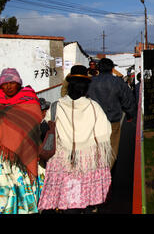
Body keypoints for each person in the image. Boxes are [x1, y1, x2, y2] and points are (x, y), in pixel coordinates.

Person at [38, 65, 113, 213]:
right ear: (86, 87)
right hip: (87, 163)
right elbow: (105, 132)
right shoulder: (94, 107)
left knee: (67, 201)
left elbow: (44, 129)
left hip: (62, 162)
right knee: (81, 201)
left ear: (69, 84)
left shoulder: (56, 107)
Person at [0, 68, 44, 214]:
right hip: (3, 158)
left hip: (23, 156)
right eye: (5, 84)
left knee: (22, 184)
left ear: (19, 83)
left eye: (12, 82)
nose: (8, 86)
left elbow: (34, 120)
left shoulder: (29, 100)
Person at [87, 58, 136, 167]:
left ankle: (95, 170)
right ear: (112, 69)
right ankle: (107, 172)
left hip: (94, 122)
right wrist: (129, 114)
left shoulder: (91, 82)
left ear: (98, 68)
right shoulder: (118, 82)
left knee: (96, 147)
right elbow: (127, 100)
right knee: (112, 148)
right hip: (113, 121)